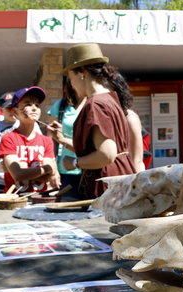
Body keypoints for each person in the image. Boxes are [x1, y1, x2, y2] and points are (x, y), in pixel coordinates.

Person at [49, 43, 135, 199]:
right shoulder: (110, 99)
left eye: (70, 78)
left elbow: (106, 155)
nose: (71, 84)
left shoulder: (96, 104)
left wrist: (75, 163)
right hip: (122, 179)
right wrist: (62, 139)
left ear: (82, 73)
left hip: (107, 186)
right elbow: (98, 148)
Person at [0, 86, 59, 193]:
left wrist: (29, 173)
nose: (34, 108)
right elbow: (18, 175)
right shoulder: (8, 138)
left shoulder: (46, 141)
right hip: (14, 200)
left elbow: (50, 175)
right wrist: (45, 169)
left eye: (37, 105)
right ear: (15, 112)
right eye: (28, 104)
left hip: (38, 200)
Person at [47, 80, 82, 198]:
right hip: (66, 170)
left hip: (91, 169)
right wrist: (53, 171)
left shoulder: (94, 104)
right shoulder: (60, 106)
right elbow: (50, 140)